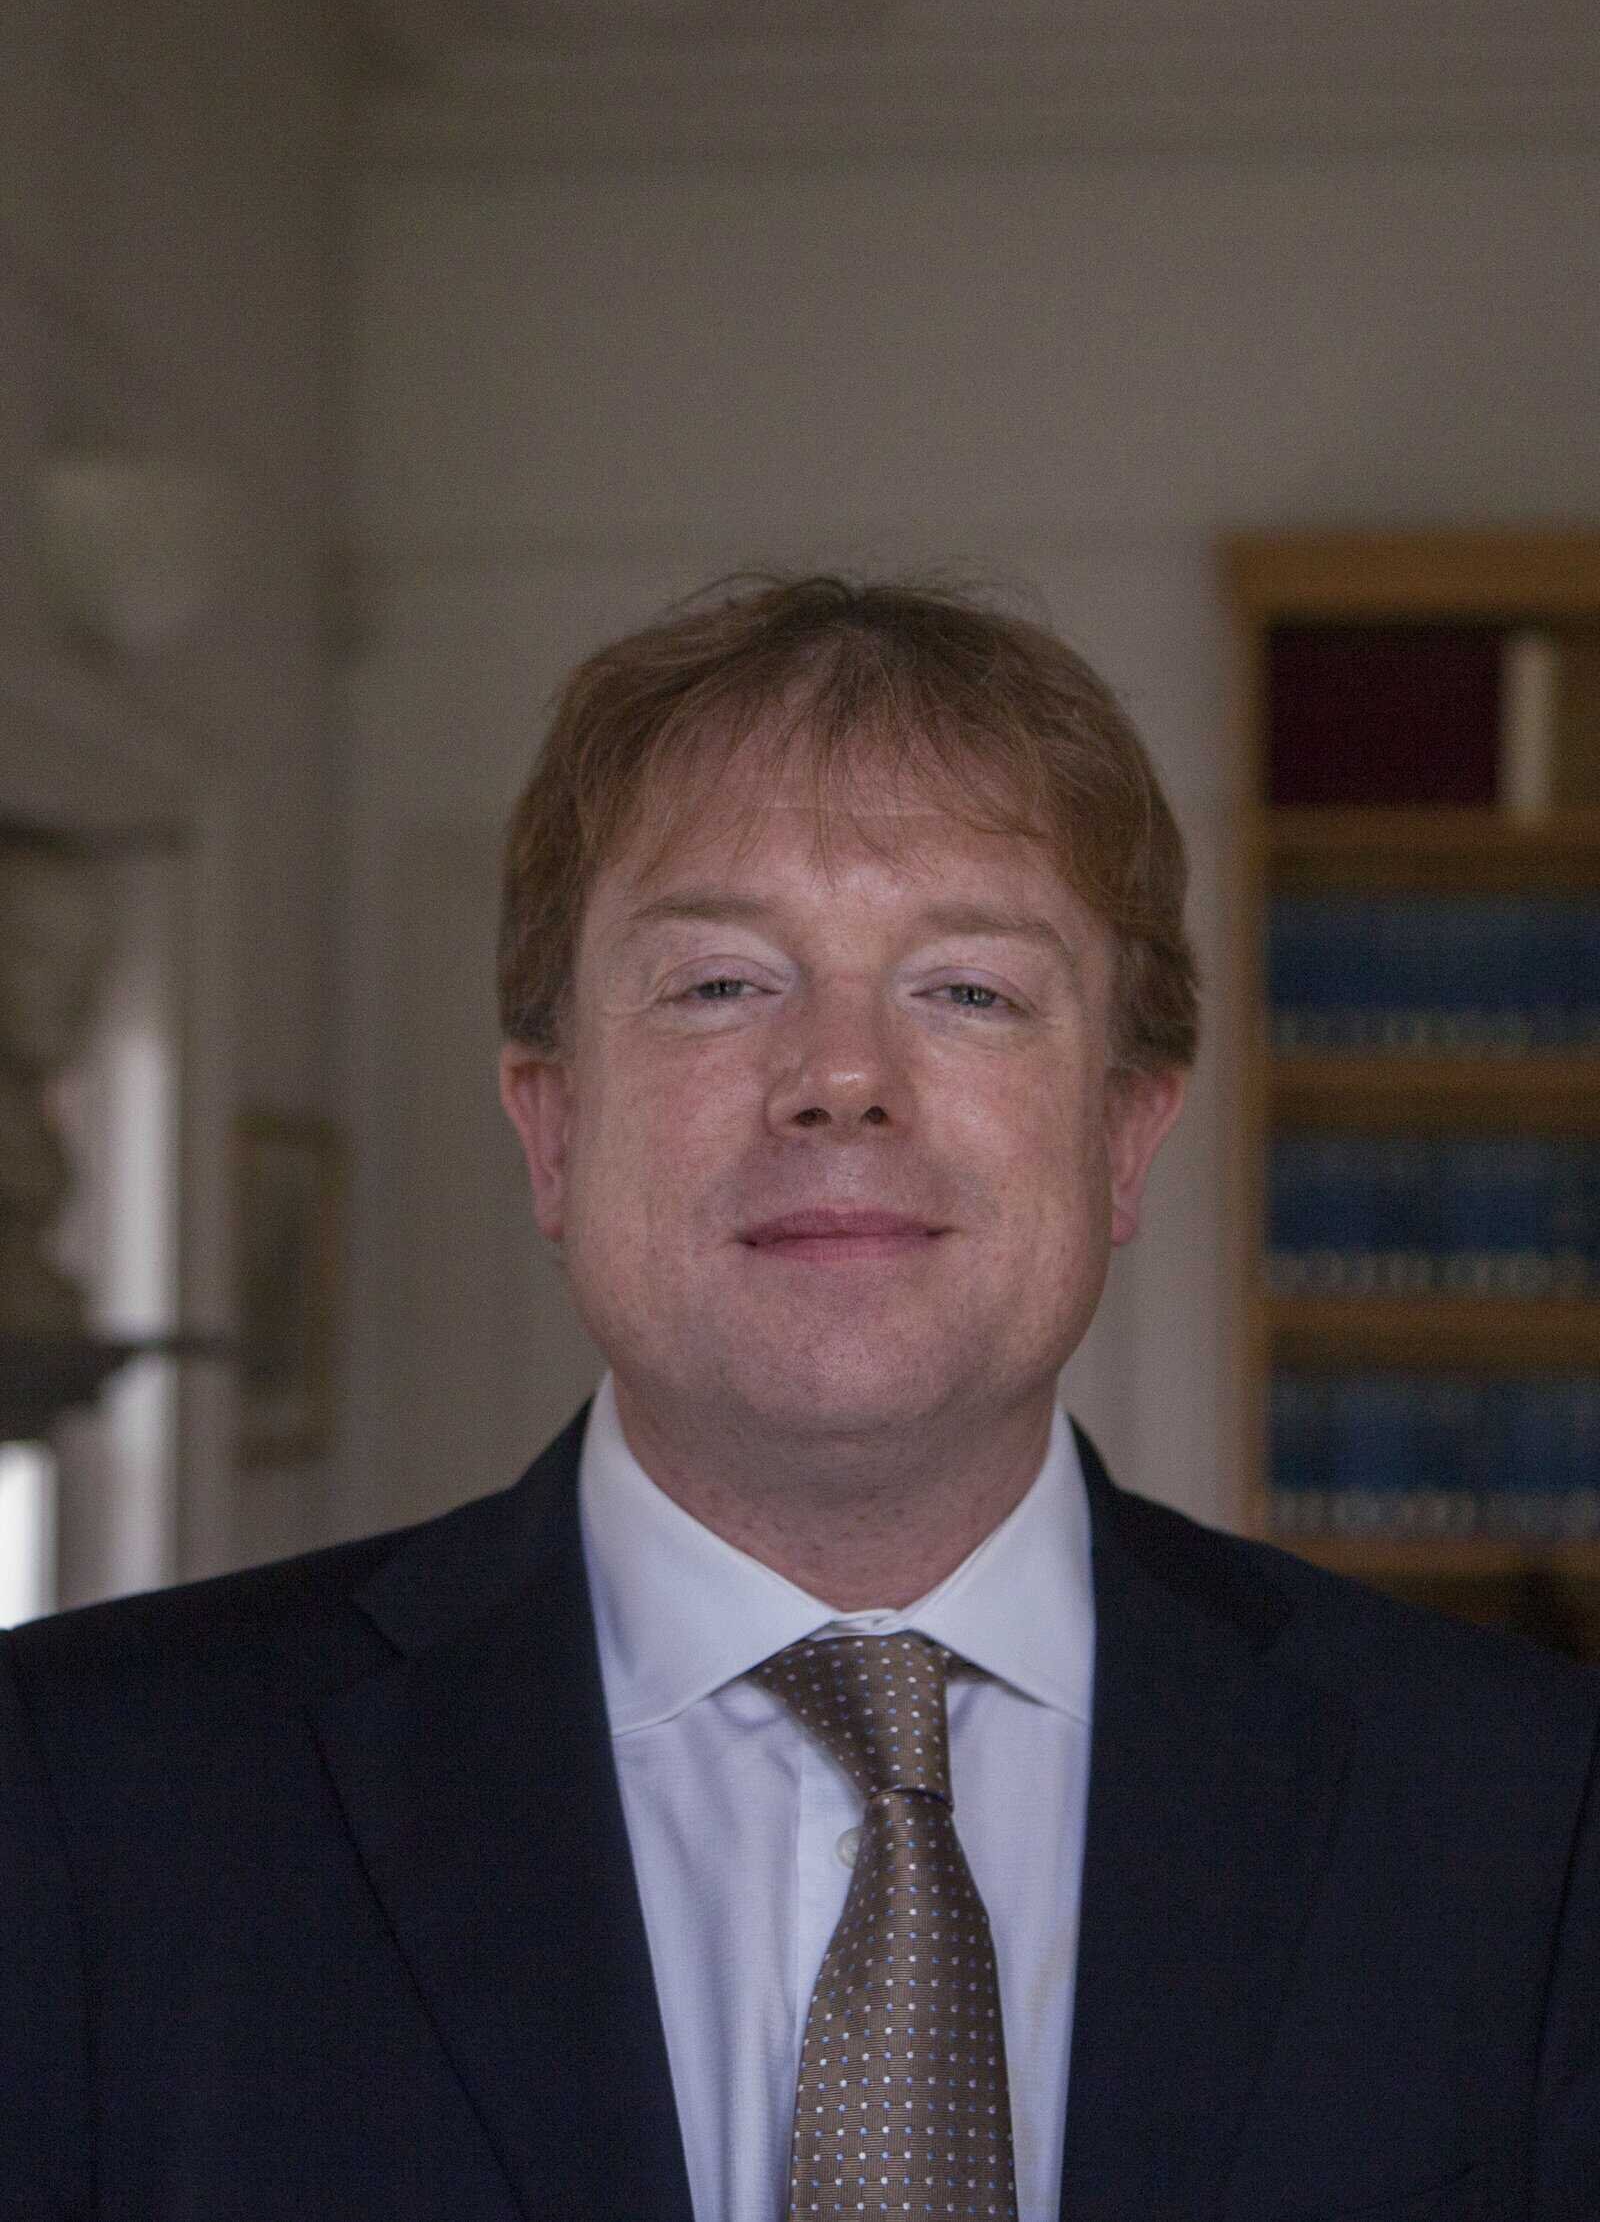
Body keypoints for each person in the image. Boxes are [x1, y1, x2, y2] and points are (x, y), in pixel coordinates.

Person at [2, 576, 1596, 2222]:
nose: (842, 1073)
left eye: (968, 988)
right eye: (719, 982)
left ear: (1124, 1133)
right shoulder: (72, 1799)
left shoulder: (1527, 1821)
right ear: (551, 1130)